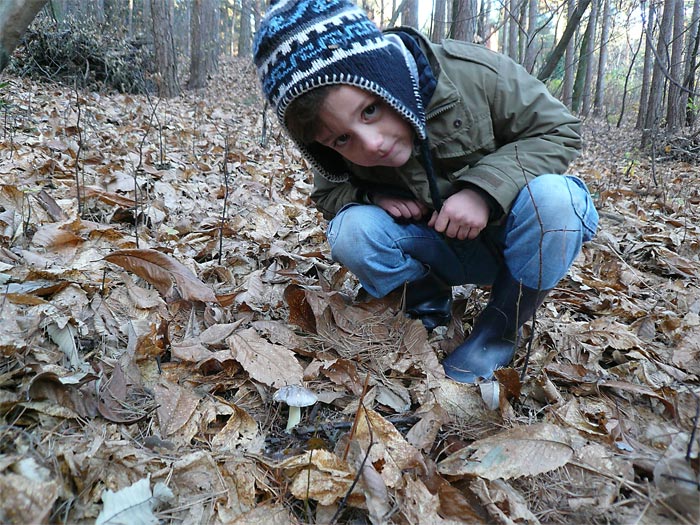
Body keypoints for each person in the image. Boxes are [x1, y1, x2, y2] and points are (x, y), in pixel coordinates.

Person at [253, 0, 599, 383]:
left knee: (557, 200)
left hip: (513, 244)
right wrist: (373, 196)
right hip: (436, 250)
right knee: (352, 230)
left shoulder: (470, 73)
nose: (372, 144)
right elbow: (329, 192)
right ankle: (426, 304)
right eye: (342, 139)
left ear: (387, 73)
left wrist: (483, 191)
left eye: (370, 110)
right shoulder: (335, 147)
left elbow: (559, 130)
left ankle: (496, 333)